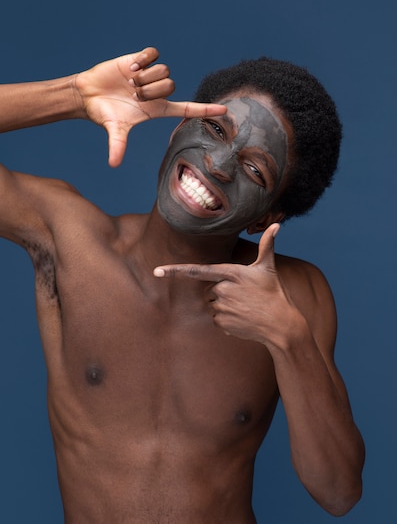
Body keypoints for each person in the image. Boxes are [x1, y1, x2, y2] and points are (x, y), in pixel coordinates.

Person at [0, 46, 365, 523]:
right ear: (178, 129)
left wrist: (288, 338)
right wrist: (74, 94)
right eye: (215, 130)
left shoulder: (293, 295)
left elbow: (338, 493)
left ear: (267, 218)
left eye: (256, 169)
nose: (218, 166)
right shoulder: (71, 239)